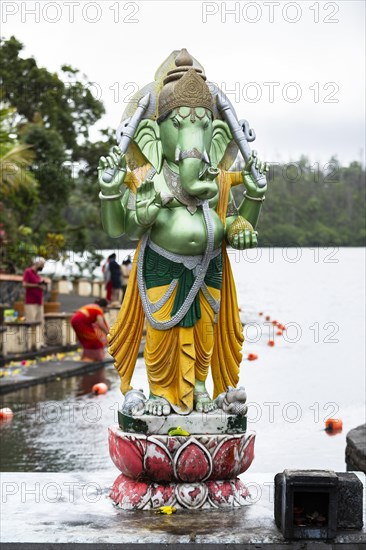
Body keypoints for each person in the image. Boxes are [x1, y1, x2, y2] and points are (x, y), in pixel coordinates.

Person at [22, 257, 47, 323]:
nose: (43, 266)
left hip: (39, 303)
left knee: (40, 324)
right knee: (31, 323)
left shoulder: (38, 276)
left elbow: (39, 286)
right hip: (31, 303)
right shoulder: (28, 271)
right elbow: (24, 284)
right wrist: (37, 285)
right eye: (42, 264)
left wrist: (42, 286)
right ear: (37, 263)